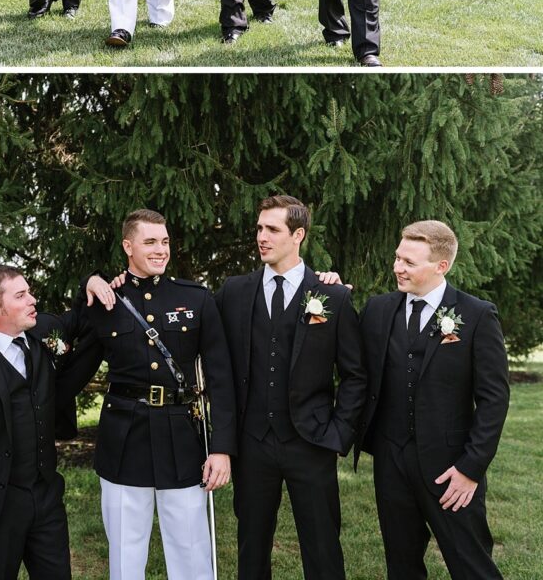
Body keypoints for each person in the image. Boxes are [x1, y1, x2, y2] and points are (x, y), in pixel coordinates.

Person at [71, 204, 235, 580]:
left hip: (181, 434)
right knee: (126, 553)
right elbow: (68, 334)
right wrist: (87, 282)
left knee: (191, 547)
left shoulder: (196, 299)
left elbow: (221, 379)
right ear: (128, 246)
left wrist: (222, 448)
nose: (161, 250)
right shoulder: (106, 300)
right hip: (123, 437)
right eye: (150, 242)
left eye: (165, 241)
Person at [216, 191, 366, 580]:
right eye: (259, 228)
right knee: (251, 546)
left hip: (311, 441)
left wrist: (337, 433)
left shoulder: (332, 296)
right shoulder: (234, 291)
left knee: (322, 547)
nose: (261, 237)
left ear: (297, 235)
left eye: (272, 229)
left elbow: (355, 375)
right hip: (252, 443)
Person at [0, 259, 116, 580]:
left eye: (29, 292)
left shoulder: (42, 333)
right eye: (20, 296)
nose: (32, 300)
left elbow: (81, 316)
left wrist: (90, 280)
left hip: (46, 497)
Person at [358, 217, 510, 580]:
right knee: (401, 563)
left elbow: (494, 398)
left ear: (441, 266)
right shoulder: (379, 310)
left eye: (409, 262)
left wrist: (470, 469)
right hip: (391, 461)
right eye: (397, 257)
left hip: (450, 468)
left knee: (471, 564)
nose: (398, 267)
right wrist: (328, 287)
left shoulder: (476, 315)